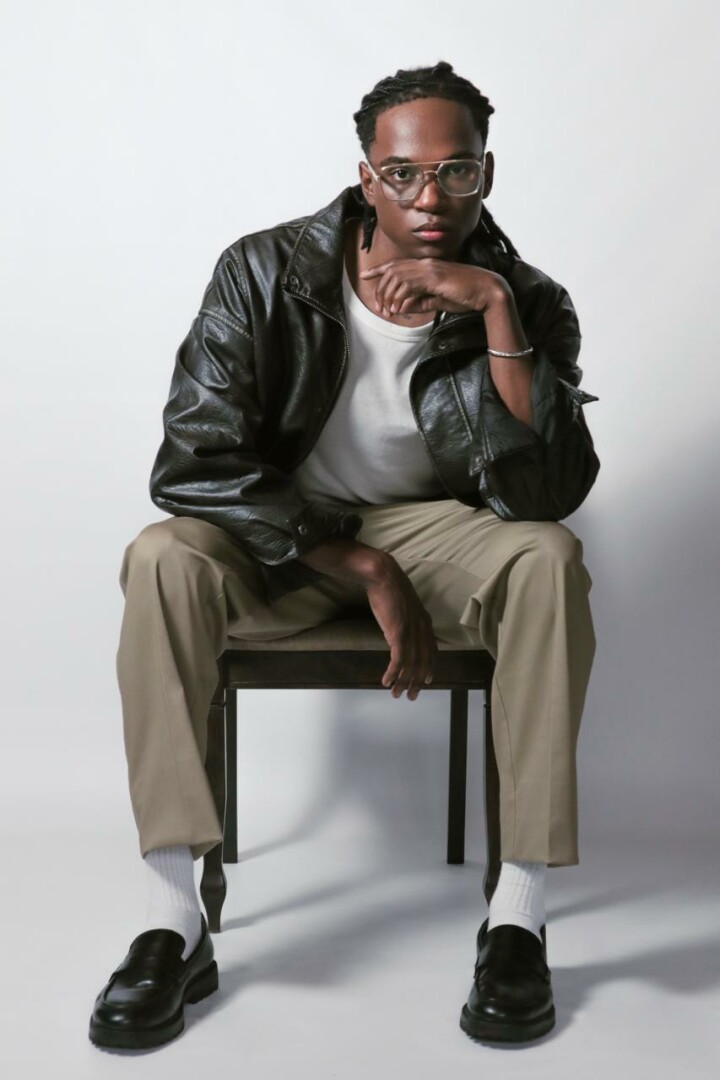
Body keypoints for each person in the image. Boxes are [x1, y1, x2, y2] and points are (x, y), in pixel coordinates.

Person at [89, 60, 599, 1051]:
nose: (430, 198)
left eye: (456, 172)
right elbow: (194, 461)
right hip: (280, 534)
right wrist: (361, 565)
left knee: (546, 556)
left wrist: (494, 310)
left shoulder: (529, 298)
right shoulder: (263, 271)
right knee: (161, 557)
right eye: (403, 174)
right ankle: (172, 919)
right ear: (367, 177)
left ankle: (518, 918)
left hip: (436, 530)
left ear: (487, 174)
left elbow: (541, 495)